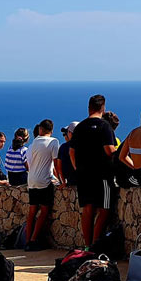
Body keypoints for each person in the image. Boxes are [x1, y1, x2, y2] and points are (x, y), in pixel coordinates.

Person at [69, 95, 117, 246]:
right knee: (105, 209)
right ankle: (96, 244)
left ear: (89, 108)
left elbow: (71, 151)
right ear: (103, 109)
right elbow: (109, 151)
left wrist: (77, 167)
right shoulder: (105, 126)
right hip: (102, 174)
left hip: (83, 174)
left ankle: (87, 245)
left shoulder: (79, 127)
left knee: (88, 209)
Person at [25, 119, 62, 250]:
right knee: (45, 211)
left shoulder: (33, 143)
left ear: (40, 130)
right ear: (51, 130)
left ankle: (27, 241)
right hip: (44, 180)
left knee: (32, 211)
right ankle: (34, 240)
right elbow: (56, 163)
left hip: (31, 180)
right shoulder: (53, 142)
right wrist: (62, 180)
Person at [58, 121, 78, 188]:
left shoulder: (63, 147)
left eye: (66, 133)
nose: (65, 135)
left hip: (71, 182)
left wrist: (63, 182)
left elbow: (59, 167)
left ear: (70, 133)